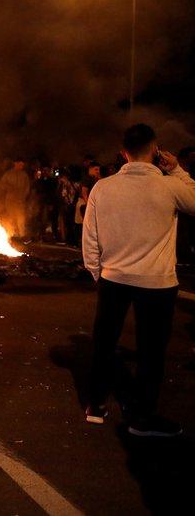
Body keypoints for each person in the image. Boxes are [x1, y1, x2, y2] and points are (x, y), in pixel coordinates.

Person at [82, 124, 193, 437]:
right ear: (155, 149)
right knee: (151, 351)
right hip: (157, 282)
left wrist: (96, 272)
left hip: (113, 278)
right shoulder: (169, 186)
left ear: (122, 153)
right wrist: (179, 171)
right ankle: (141, 417)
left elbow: (89, 237)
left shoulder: (103, 188)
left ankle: (95, 405)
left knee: (103, 343)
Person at [0, 158, 30, 238]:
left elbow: (27, 187)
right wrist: (8, 188)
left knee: (21, 217)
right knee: (12, 217)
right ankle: (13, 234)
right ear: (15, 164)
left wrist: (24, 196)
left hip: (20, 200)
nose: (22, 166)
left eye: (22, 165)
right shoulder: (8, 174)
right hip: (10, 199)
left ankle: (22, 235)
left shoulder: (24, 175)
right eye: (20, 164)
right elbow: (1, 185)